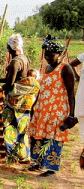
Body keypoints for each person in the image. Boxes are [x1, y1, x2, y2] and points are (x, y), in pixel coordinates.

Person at [28, 36, 77, 177]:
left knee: (53, 137)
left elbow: (71, 94)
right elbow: (41, 90)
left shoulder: (65, 69)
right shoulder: (47, 68)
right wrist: (34, 106)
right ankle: (37, 162)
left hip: (57, 111)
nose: (48, 58)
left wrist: (71, 115)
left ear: (60, 54)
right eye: (46, 55)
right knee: (38, 135)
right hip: (42, 109)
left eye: (51, 55)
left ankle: (51, 168)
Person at [0, 34, 39, 163]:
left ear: (11, 47)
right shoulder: (24, 58)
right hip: (25, 100)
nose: (7, 48)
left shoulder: (15, 62)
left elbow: (9, 84)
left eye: (8, 46)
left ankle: (14, 154)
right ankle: (24, 155)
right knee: (22, 127)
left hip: (15, 100)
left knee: (9, 126)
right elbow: (14, 79)